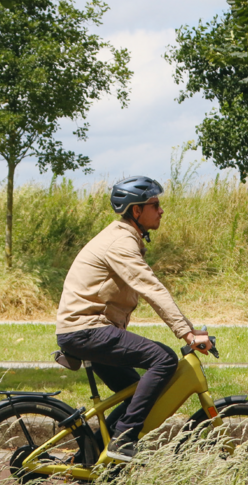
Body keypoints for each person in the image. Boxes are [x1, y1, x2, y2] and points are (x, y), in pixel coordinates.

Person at [55, 176, 212, 462]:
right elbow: (150, 286)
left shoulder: (125, 237)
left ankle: (90, 460)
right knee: (163, 359)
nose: (161, 210)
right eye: (155, 204)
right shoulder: (120, 242)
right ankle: (123, 439)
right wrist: (187, 334)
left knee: (138, 395)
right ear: (136, 211)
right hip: (86, 330)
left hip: (88, 329)